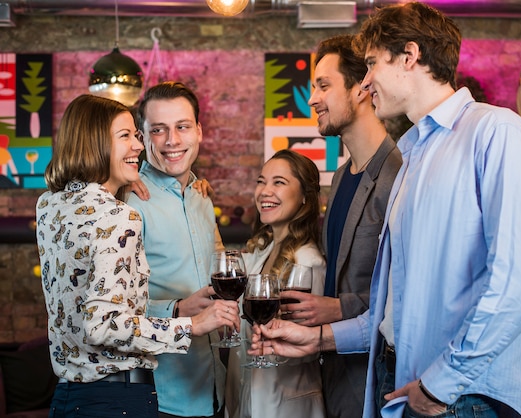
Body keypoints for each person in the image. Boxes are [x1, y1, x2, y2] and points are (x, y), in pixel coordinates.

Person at [250, 3, 521, 417]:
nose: (367, 78)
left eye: (373, 62)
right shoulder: (413, 154)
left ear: (410, 56)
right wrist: (318, 338)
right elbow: (390, 312)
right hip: (402, 385)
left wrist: (440, 384)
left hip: (465, 397)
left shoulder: (495, 130)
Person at [36, 94, 240, 418]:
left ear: (198, 130)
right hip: (126, 396)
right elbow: (102, 325)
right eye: (128, 136)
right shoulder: (122, 210)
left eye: (136, 135)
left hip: (70, 394)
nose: (139, 146)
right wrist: (191, 323)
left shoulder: (49, 204)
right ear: (96, 142)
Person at [283, 34, 401, 418]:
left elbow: (409, 294)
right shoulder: (339, 177)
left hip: (377, 381)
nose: (312, 99)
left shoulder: (399, 174)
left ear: (362, 89)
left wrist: (336, 308)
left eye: (323, 86)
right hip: (332, 375)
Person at [127, 81, 228, 418]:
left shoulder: (201, 197)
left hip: (216, 387)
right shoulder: (127, 204)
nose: (172, 141)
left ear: (198, 131)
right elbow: (110, 314)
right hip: (162, 397)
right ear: (141, 137)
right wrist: (178, 308)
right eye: (158, 130)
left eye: (182, 127)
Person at [225, 149, 326, 418]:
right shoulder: (263, 250)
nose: (265, 191)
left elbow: (312, 346)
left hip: (288, 405)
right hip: (248, 397)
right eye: (261, 181)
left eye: (279, 182)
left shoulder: (309, 260)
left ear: (305, 196)